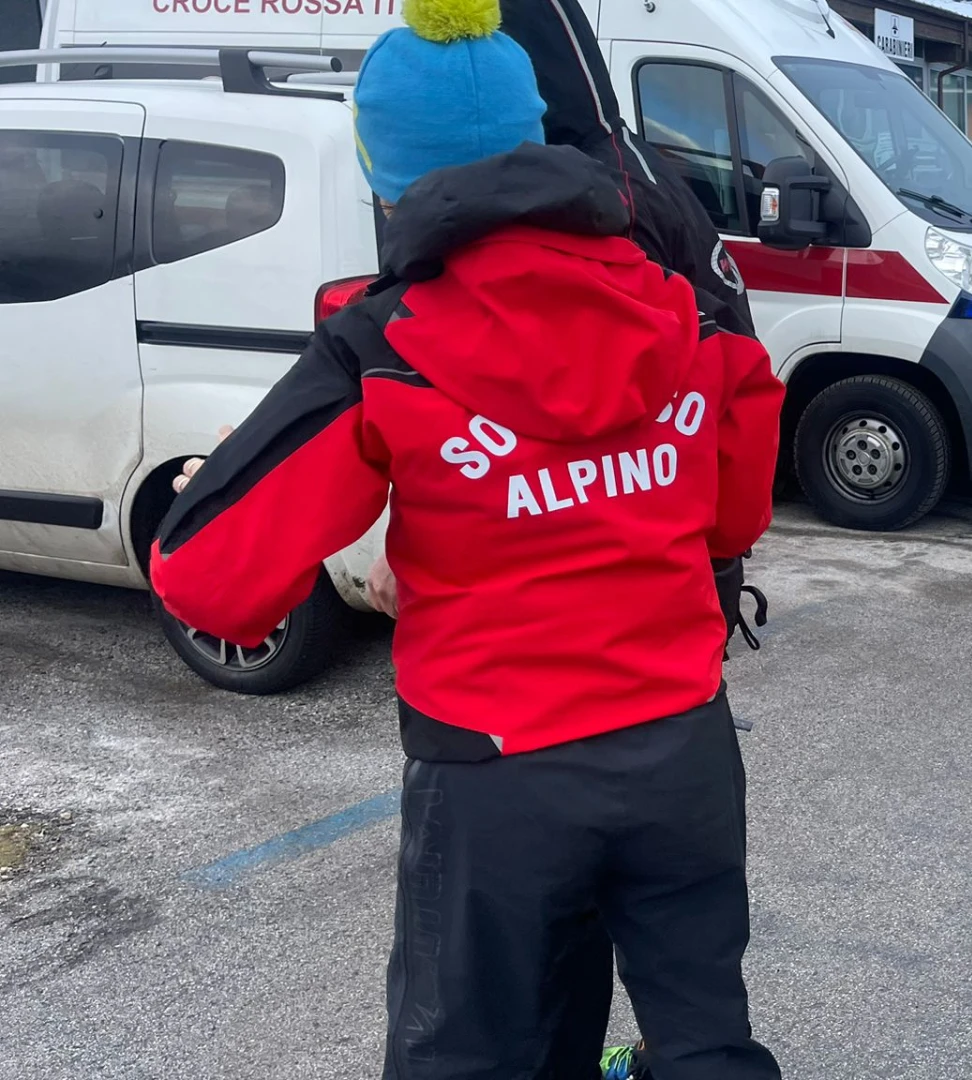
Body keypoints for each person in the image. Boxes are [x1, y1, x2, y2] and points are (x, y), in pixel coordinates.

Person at [149, 0, 786, 1076]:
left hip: (499, 774)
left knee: (470, 1054)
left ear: (387, 177)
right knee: (705, 1038)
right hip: (681, 743)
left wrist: (230, 478)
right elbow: (734, 518)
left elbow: (208, 584)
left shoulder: (382, 345)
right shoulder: (684, 308)